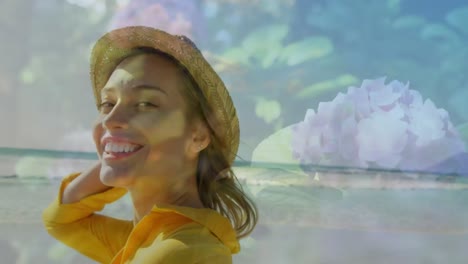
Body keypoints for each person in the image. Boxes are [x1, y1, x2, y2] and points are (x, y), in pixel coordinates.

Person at [42, 26, 258, 264]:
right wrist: (119, 156)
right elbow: (60, 220)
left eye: (145, 104)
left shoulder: (180, 252)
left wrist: (122, 155)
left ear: (198, 136)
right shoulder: (151, 241)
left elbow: (60, 220)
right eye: (108, 103)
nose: (110, 120)